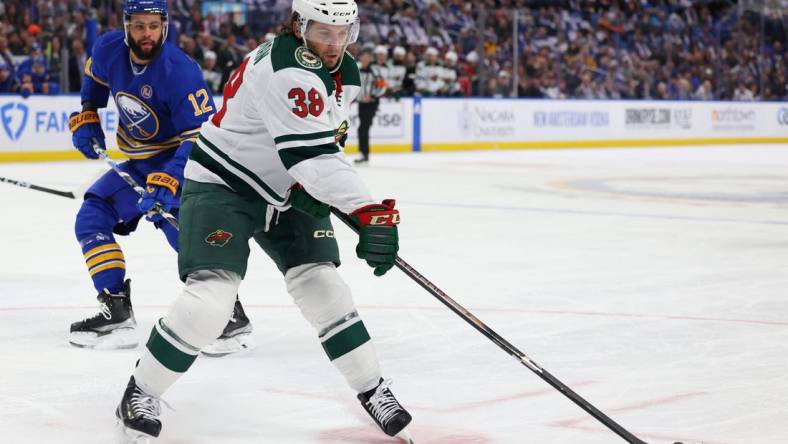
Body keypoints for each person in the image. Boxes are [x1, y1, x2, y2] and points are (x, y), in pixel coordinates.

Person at [114, 0, 413, 441]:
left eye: (343, 32)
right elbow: (309, 154)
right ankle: (141, 391)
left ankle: (373, 387)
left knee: (323, 284)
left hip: (284, 188)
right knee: (211, 301)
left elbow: (324, 145)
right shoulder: (287, 69)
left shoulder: (343, 70)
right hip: (225, 183)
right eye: (323, 31)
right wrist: (367, 211)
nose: (334, 43)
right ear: (298, 25)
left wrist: (315, 187)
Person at [67, 0, 253, 356]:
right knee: (92, 217)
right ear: (126, 27)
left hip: (180, 161)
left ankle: (230, 314)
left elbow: (199, 138)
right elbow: (94, 81)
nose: (146, 34)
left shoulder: (179, 72)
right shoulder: (108, 49)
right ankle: (116, 308)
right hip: (137, 163)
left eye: (153, 26)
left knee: (183, 233)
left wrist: (169, 179)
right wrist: (89, 114)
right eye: (139, 26)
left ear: (164, 26)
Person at [355, 49, 386, 164]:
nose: (364, 59)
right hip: (362, 103)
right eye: (363, 56)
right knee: (362, 128)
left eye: (367, 57)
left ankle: (365, 154)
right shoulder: (358, 69)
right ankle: (364, 153)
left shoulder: (374, 70)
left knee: (364, 128)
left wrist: (372, 96)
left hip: (371, 103)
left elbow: (382, 85)